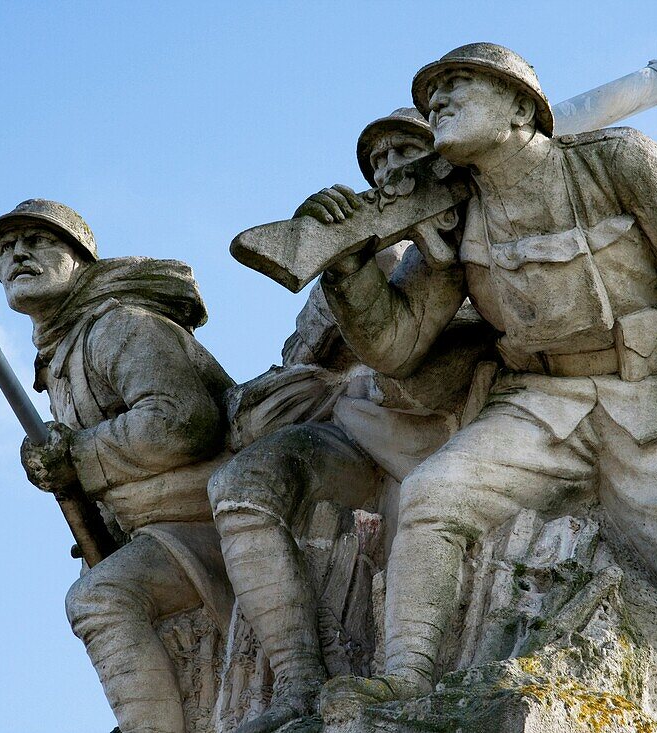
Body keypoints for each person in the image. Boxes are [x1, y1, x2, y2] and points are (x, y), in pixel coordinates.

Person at [316, 44, 657, 733]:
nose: (438, 101)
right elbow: (397, 341)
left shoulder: (619, 160)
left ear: (517, 106)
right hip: (540, 405)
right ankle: (407, 674)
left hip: (648, 401)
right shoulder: (454, 210)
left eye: (459, 85)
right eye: (432, 93)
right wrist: (347, 269)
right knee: (431, 498)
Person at [207, 108, 493, 733]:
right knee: (242, 486)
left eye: (404, 153)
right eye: (378, 161)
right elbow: (298, 359)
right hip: (352, 429)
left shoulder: (483, 221)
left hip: (450, 423)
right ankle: (298, 682)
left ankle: (403, 679)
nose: (390, 168)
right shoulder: (352, 241)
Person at [0, 199, 234, 733]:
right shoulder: (60, 360)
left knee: (100, 597)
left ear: (80, 259)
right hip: (163, 528)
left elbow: (182, 420)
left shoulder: (119, 325)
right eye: (4, 250)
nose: (17, 255)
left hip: (215, 516)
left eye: (38, 241)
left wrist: (76, 457)